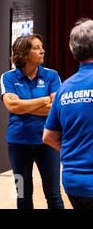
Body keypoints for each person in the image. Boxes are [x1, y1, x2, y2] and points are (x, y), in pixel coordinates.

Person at [0, 34, 64, 209]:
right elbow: (12, 106)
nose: (42, 50)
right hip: (17, 144)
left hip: (48, 143)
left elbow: (55, 108)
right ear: (24, 54)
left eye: (41, 46)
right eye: (36, 48)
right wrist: (44, 100)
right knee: (22, 196)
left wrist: (23, 105)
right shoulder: (8, 77)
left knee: (54, 195)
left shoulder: (52, 75)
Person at [43, 19, 93, 209]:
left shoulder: (65, 88)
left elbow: (48, 136)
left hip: (72, 182)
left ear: (73, 50)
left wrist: (75, 152)